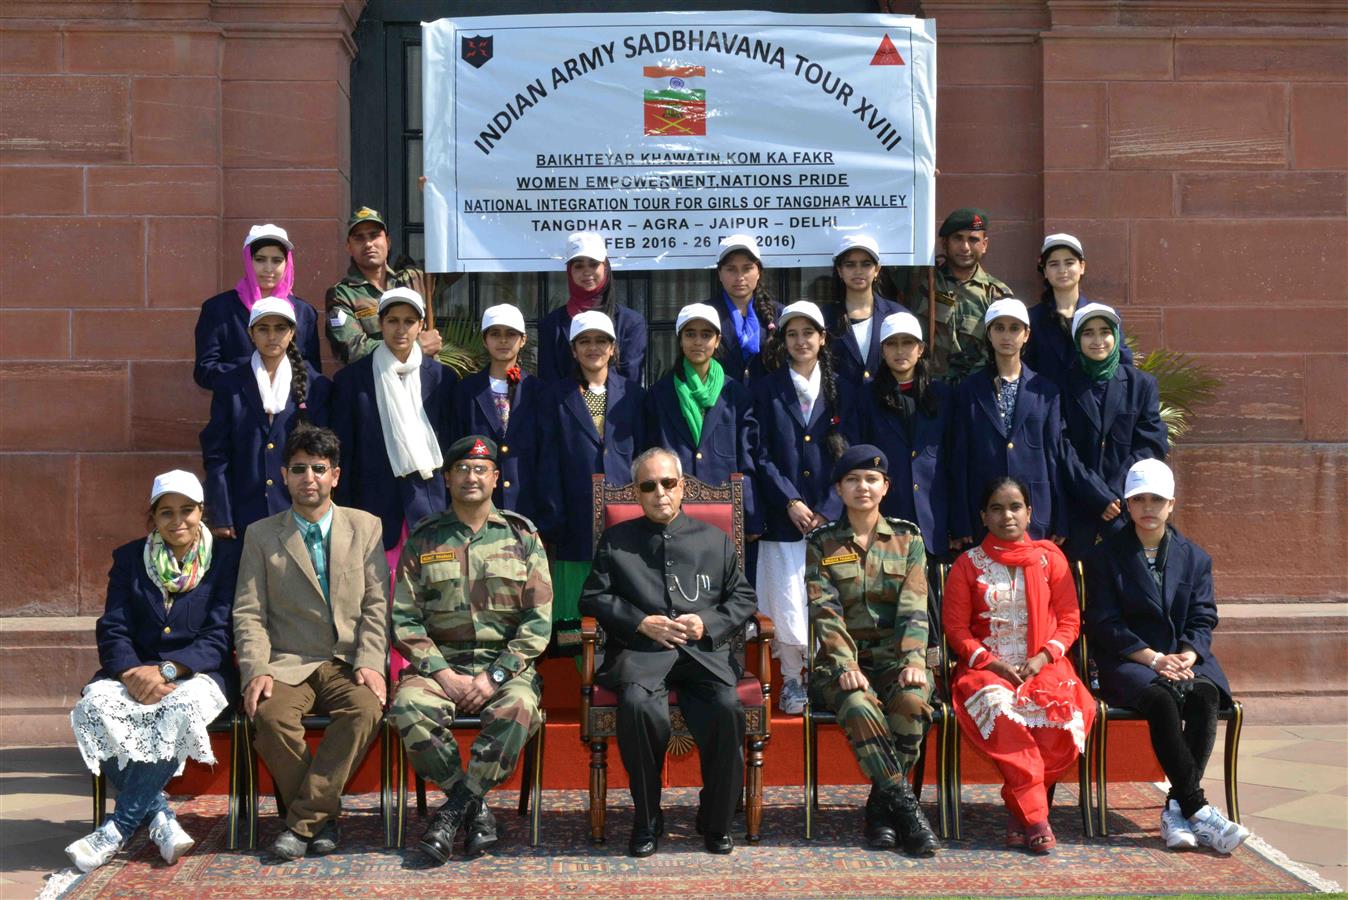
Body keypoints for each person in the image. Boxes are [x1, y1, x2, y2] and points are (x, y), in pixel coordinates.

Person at [579, 448, 758, 857]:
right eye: (648, 485)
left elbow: (744, 597)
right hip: (643, 654)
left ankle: (714, 820)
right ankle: (647, 818)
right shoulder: (618, 540)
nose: (659, 493)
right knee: (639, 707)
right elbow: (593, 598)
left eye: (668, 483)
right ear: (637, 494)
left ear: (682, 488)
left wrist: (707, 622)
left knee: (727, 708)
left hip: (702, 654)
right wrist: (639, 621)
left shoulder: (715, 539)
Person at [65, 471, 240, 873]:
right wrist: (129, 673)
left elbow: (220, 633)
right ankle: (160, 816)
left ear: (202, 513)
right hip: (134, 671)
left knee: (180, 709)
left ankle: (116, 829)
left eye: (187, 511)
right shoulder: (129, 559)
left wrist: (166, 670)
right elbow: (113, 627)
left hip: (199, 672)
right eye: (166, 513)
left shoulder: (227, 558)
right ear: (153, 518)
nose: (177, 521)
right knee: (95, 708)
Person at [391, 435, 553, 863]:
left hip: (504, 668)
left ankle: (454, 810)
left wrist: (494, 676)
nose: (471, 476)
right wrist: (443, 673)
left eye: (480, 469)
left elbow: (538, 624)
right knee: (407, 706)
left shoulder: (522, 537)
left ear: (496, 478)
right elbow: (404, 619)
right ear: (447, 478)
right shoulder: (425, 539)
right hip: (439, 667)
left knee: (519, 708)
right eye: (461, 468)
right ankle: (475, 806)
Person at [232, 425, 389, 860]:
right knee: (270, 717)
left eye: (319, 469)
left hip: (345, 662)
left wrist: (372, 661)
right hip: (286, 662)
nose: (309, 478)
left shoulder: (366, 526)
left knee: (365, 709)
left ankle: (302, 823)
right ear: (284, 475)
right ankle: (322, 819)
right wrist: (256, 669)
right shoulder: (261, 535)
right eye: (299, 469)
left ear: (335, 475)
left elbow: (377, 604)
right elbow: (249, 612)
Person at [1085, 459, 1250, 854]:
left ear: (1171, 504)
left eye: (1156, 499)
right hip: (1129, 660)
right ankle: (1197, 806)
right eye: (1138, 499)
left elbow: (1203, 615)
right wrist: (1154, 659)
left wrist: (1189, 654)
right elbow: (1104, 623)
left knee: (1205, 695)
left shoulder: (1195, 558)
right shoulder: (1105, 557)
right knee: (1160, 698)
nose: (1147, 507)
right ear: (1126, 504)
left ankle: (1177, 808)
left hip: (1184, 656)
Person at [943, 476, 1094, 854]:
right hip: (985, 670)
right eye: (996, 508)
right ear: (983, 516)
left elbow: (1070, 620)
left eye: (1014, 507)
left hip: (1044, 664)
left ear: (1029, 512)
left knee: (1060, 714)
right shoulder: (967, 564)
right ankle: (1037, 818)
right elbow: (957, 629)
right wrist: (992, 664)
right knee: (1004, 713)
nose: (1006, 516)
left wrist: (1043, 656)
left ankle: (1018, 810)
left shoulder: (1049, 559)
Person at [804, 446, 941, 856]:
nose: (862, 487)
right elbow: (824, 611)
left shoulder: (907, 538)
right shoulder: (822, 543)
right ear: (839, 489)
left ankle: (880, 810)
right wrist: (845, 664)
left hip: (897, 659)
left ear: (886, 487)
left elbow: (915, 607)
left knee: (914, 703)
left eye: (871, 479)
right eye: (852, 480)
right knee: (861, 706)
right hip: (838, 664)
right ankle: (908, 813)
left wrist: (914, 661)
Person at [750, 300, 853, 714]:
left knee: (829, 597)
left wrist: (830, 505)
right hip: (783, 518)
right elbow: (759, 453)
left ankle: (828, 676)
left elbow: (852, 454)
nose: (800, 341)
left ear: (822, 338)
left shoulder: (843, 389)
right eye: (791, 334)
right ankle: (792, 678)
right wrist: (789, 499)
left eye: (808, 333)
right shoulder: (766, 388)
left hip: (832, 517)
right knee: (787, 600)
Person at [536, 311, 645, 654]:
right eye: (585, 341)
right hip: (574, 519)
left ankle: (618, 675)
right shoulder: (555, 397)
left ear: (613, 348)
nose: (593, 348)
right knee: (574, 617)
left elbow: (643, 457)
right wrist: (554, 517)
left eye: (601, 341)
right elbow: (548, 460)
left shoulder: (634, 395)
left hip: (627, 522)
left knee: (626, 602)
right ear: (573, 350)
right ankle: (581, 682)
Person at [331, 287, 456, 563]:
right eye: (392, 320)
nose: (401, 329)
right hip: (372, 509)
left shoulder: (442, 379)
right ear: (380, 324)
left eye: (409, 321)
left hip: (429, 505)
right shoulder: (352, 381)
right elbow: (345, 454)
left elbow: (450, 446)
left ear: (421, 325)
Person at [200, 296, 332, 539]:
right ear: (251, 333)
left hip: (300, 510)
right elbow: (217, 453)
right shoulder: (230, 384)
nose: (272, 336)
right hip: (245, 512)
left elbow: (325, 454)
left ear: (292, 332)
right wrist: (221, 514)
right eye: (263, 328)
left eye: (280, 328)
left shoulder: (316, 385)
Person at [950, 298, 1067, 546]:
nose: (1007, 335)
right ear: (988, 334)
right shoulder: (968, 391)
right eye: (999, 328)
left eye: (1014, 328)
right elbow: (959, 459)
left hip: (1035, 511)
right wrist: (960, 519)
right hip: (983, 512)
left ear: (1026, 334)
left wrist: (1061, 517)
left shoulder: (1046, 391)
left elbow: (1055, 457)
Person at [644, 302, 762, 538]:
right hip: (673, 509)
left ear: (717, 340)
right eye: (690, 334)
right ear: (680, 339)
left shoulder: (736, 394)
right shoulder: (660, 394)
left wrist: (750, 514)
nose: (698, 341)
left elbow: (746, 457)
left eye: (706, 334)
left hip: (724, 510)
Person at [1060, 303, 1167, 560]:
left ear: (1116, 336)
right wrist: (1096, 495)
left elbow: (1151, 444)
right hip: (1079, 507)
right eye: (1088, 333)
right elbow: (1061, 446)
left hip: (1124, 508)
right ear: (1077, 339)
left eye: (1105, 332)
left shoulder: (1140, 385)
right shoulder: (1061, 387)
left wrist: (1115, 493)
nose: (1098, 340)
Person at [858, 311, 955, 560]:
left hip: (935, 519)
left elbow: (956, 459)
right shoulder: (866, 399)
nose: (900, 351)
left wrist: (958, 522)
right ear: (882, 350)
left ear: (920, 349)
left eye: (907, 343)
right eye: (892, 344)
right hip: (886, 517)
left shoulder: (943, 396)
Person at [193, 223, 322, 391]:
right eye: (260, 259)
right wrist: (257, 370)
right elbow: (205, 371)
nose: (268, 269)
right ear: (248, 260)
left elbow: (312, 372)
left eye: (277, 260)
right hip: (237, 410)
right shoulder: (219, 309)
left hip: (289, 412)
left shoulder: (304, 312)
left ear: (287, 263)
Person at [453, 304, 543, 521]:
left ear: (523, 340)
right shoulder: (466, 391)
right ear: (485, 340)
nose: (503, 340)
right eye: (495, 334)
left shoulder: (539, 390)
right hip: (478, 506)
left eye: (511, 334)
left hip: (528, 503)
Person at [906, 208, 1013, 383]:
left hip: (977, 392)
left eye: (973, 240)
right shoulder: (922, 282)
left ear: (984, 245)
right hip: (928, 389)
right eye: (957, 238)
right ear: (944, 243)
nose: (965, 247)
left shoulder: (998, 294)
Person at [325, 206, 442, 364]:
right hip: (375, 384)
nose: (368, 244)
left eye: (374, 235)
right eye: (359, 238)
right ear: (349, 247)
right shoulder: (342, 295)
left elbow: (458, 259)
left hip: (424, 381)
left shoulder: (415, 279)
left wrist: (435, 195)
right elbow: (351, 350)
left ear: (387, 241)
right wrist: (417, 347)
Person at [1024, 234, 1133, 391]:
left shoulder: (1104, 315)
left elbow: (1122, 364)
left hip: (1094, 407)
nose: (1062, 270)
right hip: (1047, 408)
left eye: (1069, 263)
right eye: (1054, 264)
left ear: (1082, 267)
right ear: (1045, 271)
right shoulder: (1032, 319)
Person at [537, 231, 647, 384]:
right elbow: (549, 383)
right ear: (569, 271)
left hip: (618, 408)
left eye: (594, 264)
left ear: (605, 267)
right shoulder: (551, 325)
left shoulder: (630, 322)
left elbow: (630, 383)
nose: (587, 272)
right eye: (579, 266)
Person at [825, 234, 904, 389]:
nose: (858, 271)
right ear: (840, 271)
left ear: (877, 270)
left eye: (866, 264)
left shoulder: (897, 315)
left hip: (887, 405)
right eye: (850, 265)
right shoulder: (825, 318)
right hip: (840, 407)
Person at [707, 234, 782, 384]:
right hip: (722, 402)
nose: (739, 277)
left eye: (747, 268)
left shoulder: (779, 313)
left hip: (766, 403)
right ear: (719, 274)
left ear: (758, 272)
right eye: (731, 269)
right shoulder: (705, 313)